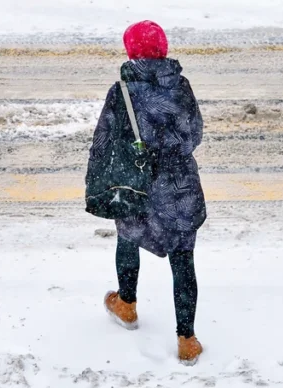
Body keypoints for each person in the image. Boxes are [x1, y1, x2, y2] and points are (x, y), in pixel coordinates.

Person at [86, 20, 208, 366]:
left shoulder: (122, 90)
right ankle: (187, 339)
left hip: (136, 181)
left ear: (131, 51)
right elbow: (193, 133)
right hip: (179, 185)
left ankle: (126, 304)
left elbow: (104, 140)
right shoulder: (181, 86)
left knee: (128, 237)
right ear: (164, 49)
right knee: (183, 257)